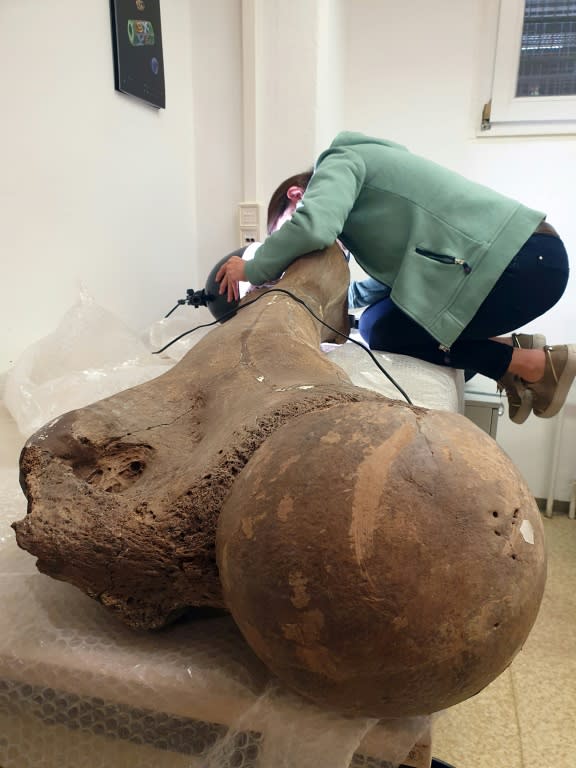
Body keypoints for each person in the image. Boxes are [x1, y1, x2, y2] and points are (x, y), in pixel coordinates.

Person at [216, 131, 574, 424]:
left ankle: (530, 364)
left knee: (382, 327)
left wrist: (252, 267)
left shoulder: (339, 160)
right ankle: (514, 353)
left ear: (298, 195)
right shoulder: (373, 177)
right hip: (531, 261)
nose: (289, 254)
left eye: (285, 232)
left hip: (521, 267)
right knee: (381, 316)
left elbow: (312, 228)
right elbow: (401, 282)